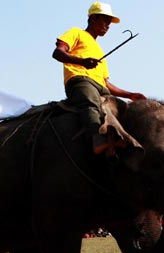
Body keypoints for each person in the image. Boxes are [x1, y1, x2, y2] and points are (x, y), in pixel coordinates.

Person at [52, 2, 146, 154]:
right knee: (90, 102)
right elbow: (57, 53)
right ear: (93, 18)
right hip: (80, 80)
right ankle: (97, 138)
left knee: (119, 109)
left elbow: (106, 84)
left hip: (100, 87)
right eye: (104, 21)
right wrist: (82, 61)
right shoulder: (76, 33)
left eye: (109, 23)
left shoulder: (98, 49)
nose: (108, 26)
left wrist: (129, 95)